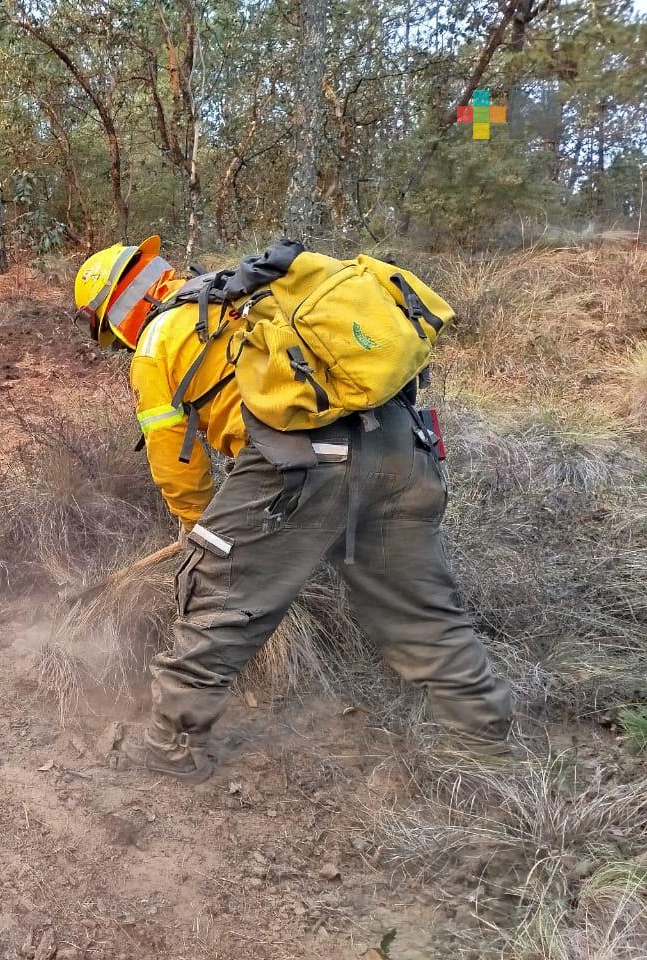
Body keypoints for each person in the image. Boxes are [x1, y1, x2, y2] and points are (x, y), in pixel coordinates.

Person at [72, 237, 514, 784]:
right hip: (403, 447)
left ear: (115, 312)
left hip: (303, 460)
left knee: (219, 588)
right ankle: (483, 739)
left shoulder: (159, 338)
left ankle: (172, 742)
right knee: (420, 607)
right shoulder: (245, 298)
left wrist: (200, 530)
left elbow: (177, 465)